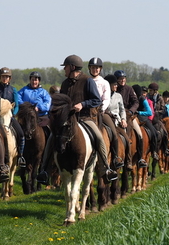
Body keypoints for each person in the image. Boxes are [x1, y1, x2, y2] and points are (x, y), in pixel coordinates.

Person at [37, 55, 119, 184]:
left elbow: (96, 100)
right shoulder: (65, 83)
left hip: (85, 118)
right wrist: (50, 118)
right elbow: (59, 105)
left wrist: (83, 104)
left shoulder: (88, 81)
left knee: (99, 137)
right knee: (52, 138)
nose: (64, 70)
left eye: (66, 67)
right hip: (68, 119)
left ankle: (106, 169)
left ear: (72, 67)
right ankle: (44, 171)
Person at [88, 57, 123, 169]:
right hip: (86, 112)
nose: (95, 70)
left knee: (113, 132)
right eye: (93, 67)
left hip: (101, 112)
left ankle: (115, 158)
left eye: (97, 68)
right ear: (89, 68)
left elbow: (106, 99)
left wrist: (101, 109)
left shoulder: (104, 83)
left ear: (100, 69)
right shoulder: (85, 81)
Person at [114, 70, 147, 168]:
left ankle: (140, 158)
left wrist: (131, 111)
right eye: (120, 79)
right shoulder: (113, 89)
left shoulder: (129, 89)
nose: (122, 80)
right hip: (116, 115)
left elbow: (136, 102)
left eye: (124, 78)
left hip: (128, 116)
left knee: (140, 134)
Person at [0, 67, 27, 167]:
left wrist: (13, 114)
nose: (5, 78)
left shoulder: (13, 90)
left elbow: (16, 105)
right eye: (3, 77)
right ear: (0, 77)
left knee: (21, 134)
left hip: (10, 116)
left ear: (10, 78)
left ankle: (20, 156)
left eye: (7, 77)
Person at [105, 74, 132, 169]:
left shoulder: (118, 96)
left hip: (117, 122)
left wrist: (123, 119)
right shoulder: (103, 95)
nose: (116, 86)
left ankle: (128, 161)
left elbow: (122, 109)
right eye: (114, 84)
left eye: (117, 84)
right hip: (105, 120)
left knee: (127, 140)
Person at [132, 85, 160, 161]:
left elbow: (149, 112)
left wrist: (139, 112)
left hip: (143, 119)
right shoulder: (131, 99)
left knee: (154, 133)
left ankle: (154, 151)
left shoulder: (143, 99)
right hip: (132, 119)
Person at [147, 82, 169, 156]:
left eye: (151, 90)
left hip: (157, 119)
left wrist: (156, 113)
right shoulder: (147, 97)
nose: (149, 92)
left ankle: (165, 149)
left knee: (164, 132)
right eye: (149, 90)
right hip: (148, 118)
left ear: (155, 91)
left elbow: (163, 109)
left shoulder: (160, 98)